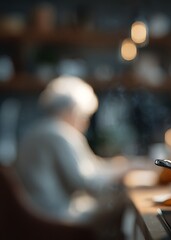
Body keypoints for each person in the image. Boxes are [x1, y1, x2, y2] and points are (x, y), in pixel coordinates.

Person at [14, 75, 130, 239]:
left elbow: (91, 167)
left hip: (33, 212)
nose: (85, 123)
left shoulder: (37, 130)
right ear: (72, 110)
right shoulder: (60, 134)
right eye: (84, 116)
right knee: (123, 203)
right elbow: (86, 182)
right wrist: (121, 171)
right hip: (53, 215)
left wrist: (119, 166)